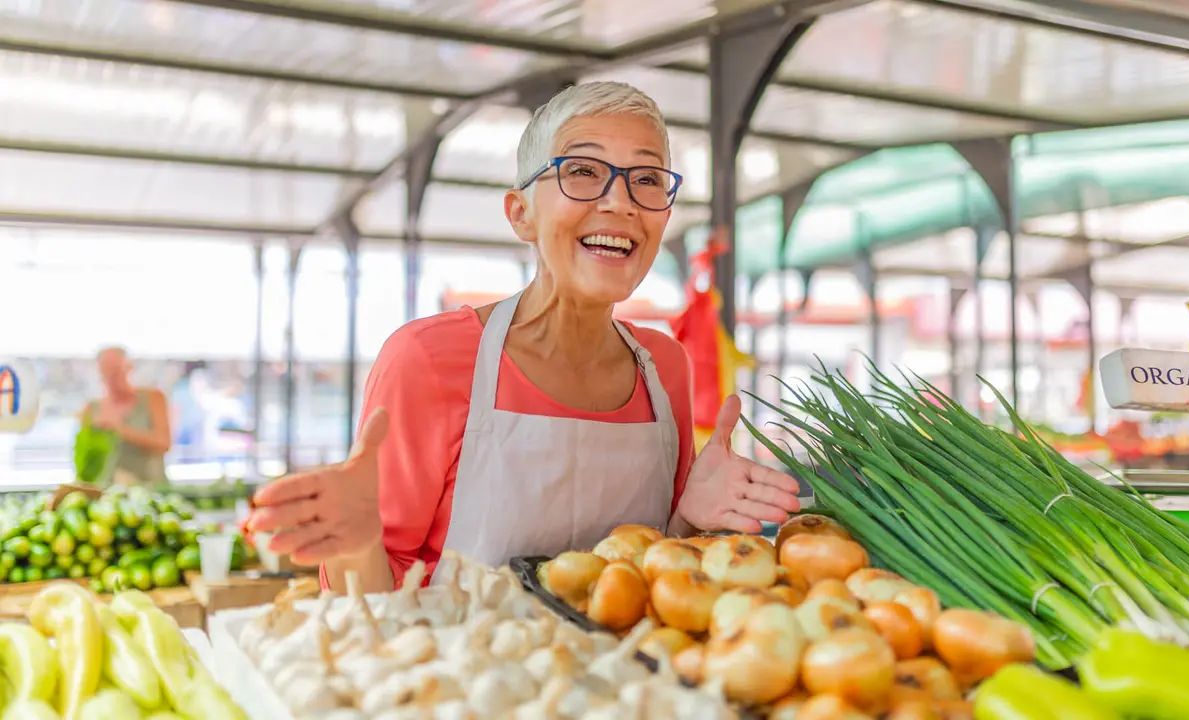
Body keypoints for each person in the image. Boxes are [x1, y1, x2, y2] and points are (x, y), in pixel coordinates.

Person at [248, 82, 802, 593]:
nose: (620, 201)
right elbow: (366, 611)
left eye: (648, 178)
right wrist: (360, 542)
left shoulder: (665, 368)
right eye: (582, 171)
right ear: (521, 214)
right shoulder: (428, 360)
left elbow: (654, 577)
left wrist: (691, 519)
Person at [81, 347, 171, 486]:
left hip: (152, 488)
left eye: (117, 371)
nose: (112, 378)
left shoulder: (153, 398)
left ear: (129, 367)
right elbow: (85, 461)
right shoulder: (91, 409)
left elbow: (164, 443)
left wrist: (118, 428)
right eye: (107, 372)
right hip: (109, 493)